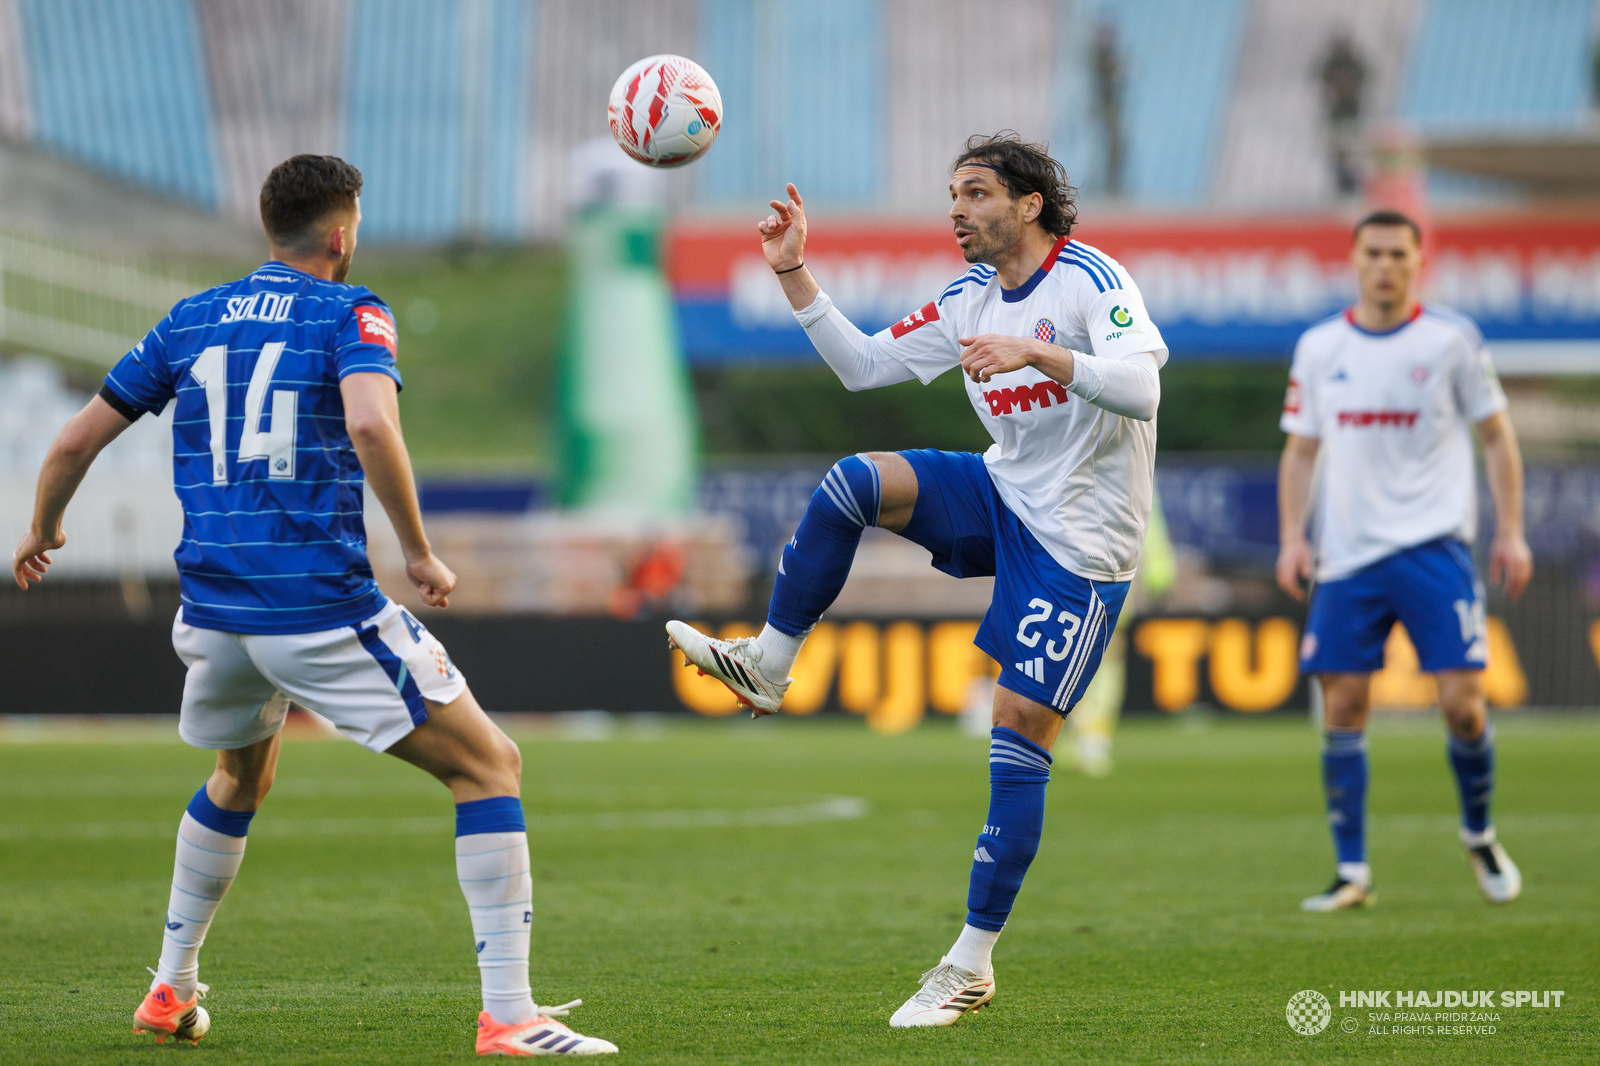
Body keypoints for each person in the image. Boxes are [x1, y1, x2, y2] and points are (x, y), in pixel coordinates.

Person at [11, 155, 616, 1056]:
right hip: (315, 609)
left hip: (214, 616)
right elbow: (371, 423)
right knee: (491, 765)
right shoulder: (352, 310)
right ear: (342, 232)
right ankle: (509, 1015)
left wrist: (42, 529)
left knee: (239, 779)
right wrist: (417, 551)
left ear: (270, 226)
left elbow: (71, 439)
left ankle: (169, 993)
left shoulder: (192, 317)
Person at [666, 132, 1167, 1027]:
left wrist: (1036, 353)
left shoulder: (1092, 280)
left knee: (1018, 733)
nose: (956, 210)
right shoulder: (967, 296)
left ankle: (970, 963)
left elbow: (1142, 390)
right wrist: (793, 274)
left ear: (1028, 205)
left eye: (974, 193)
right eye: (951, 194)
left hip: (1082, 550)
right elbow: (863, 367)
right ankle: (771, 664)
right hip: (1003, 494)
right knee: (855, 480)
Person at [1276, 209, 1532, 912]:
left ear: (1420, 261)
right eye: (1374, 253)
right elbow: (1301, 450)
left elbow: (1498, 438)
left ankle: (1478, 831)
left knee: (1463, 708)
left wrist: (1510, 531)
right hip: (1348, 557)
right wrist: (1293, 537)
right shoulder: (1321, 346)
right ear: (1354, 260)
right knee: (1345, 706)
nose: (1385, 266)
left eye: (1398, 254)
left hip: (1435, 548)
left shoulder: (1451, 341)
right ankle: (1352, 872)